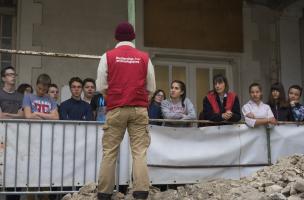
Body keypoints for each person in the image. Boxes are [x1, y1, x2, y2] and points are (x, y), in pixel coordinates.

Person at [96, 22, 155, 200]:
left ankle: (105, 193)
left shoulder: (108, 56)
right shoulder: (144, 57)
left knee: (110, 152)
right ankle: (141, 192)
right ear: (133, 37)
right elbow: (151, 87)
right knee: (139, 152)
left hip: (116, 108)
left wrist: (114, 98)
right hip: (139, 109)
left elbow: (101, 85)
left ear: (116, 37)